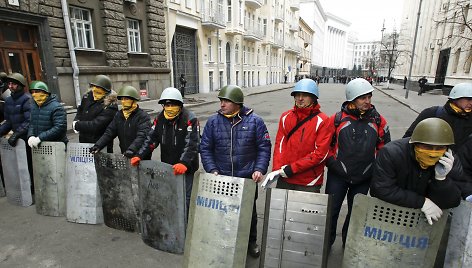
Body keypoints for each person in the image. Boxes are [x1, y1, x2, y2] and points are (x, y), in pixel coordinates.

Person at [200, 85, 271, 258]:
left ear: (237, 103)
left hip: (246, 179)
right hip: (222, 178)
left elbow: (264, 148)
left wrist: (259, 169)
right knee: (222, 212)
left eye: (226, 101)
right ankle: (225, 242)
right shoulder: (213, 122)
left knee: (248, 214)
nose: (222, 104)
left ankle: (250, 242)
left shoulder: (255, 121)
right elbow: (205, 148)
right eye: (221, 100)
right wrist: (212, 169)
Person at [325, 78, 390, 249]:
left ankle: (349, 244)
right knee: (331, 212)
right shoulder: (337, 119)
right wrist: (333, 164)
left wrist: (374, 169)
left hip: (363, 177)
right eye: (363, 98)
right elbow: (325, 147)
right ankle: (327, 242)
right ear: (352, 99)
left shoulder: (379, 121)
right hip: (337, 176)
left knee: (355, 214)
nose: (368, 101)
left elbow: (385, 150)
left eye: (369, 97)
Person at [371, 118, 462, 225]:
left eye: (439, 148)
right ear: (415, 144)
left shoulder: (449, 161)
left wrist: (441, 180)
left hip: (424, 222)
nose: (433, 153)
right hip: (388, 215)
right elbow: (380, 189)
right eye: (427, 147)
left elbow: (453, 201)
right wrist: (421, 202)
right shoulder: (391, 153)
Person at [131, 87, 199, 211]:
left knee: (186, 198)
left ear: (180, 105)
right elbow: (151, 140)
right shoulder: (159, 119)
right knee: (170, 195)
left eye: (173, 104)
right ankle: (172, 221)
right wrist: (139, 155)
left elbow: (192, 144)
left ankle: (186, 224)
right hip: (168, 166)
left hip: (186, 168)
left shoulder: (190, 118)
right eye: (167, 104)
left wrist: (184, 163)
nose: (170, 108)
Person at [265, 78, 332, 193]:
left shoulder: (323, 121)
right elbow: (280, 145)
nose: (300, 98)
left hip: (309, 181)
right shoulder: (286, 117)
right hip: (285, 177)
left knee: (303, 211)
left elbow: (320, 154)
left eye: (305, 95)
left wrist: (292, 168)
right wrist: (277, 169)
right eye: (297, 95)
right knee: (279, 210)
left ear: (313, 98)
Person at [89, 85, 151, 158]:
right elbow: (109, 132)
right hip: (126, 154)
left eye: (126, 99)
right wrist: (98, 145)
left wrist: (132, 150)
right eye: (122, 99)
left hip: (140, 156)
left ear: (133, 100)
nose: (123, 102)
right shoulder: (119, 115)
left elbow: (142, 136)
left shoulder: (143, 116)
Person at [73, 75, 118, 152]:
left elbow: (96, 125)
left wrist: (76, 125)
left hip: (100, 144)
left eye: (99, 93)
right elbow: (80, 110)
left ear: (106, 92)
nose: (95, 96)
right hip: (84, 140)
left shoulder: (110, 106)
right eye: (94, 92)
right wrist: (76, 119)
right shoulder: (87, 96)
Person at [27, 81, 68, 148]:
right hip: (39, 147)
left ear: (45, 92)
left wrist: (40, 138)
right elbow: (32, 123)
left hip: (56, 146)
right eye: (32, 92)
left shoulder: (56, 107)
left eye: (37, 91)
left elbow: (59, 127)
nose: (34, 94)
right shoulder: (34, 106)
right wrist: (31, 136)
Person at [0, 73, 31, 147]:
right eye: (9, 84)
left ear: (20, 85)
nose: (10, 86)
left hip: (28, 137)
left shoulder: (27, 99)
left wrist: (17, 134)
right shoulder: (8, 100)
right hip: (17, 139)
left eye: (13, 84)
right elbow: (8, 122)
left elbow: (29, 121)